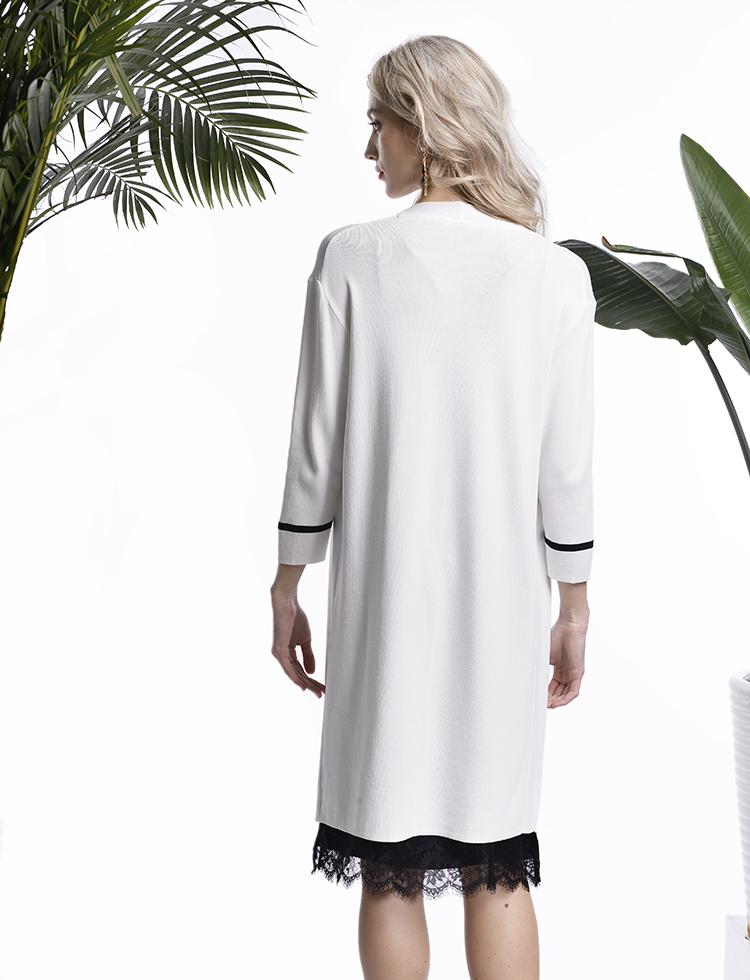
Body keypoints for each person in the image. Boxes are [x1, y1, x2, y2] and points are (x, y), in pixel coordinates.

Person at [270, 34, 595, 980]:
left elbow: (314, 447)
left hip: (382, 608)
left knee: (389, 868)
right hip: (502, 606)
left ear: (425, 125)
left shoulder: (351, 258)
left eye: (379, 124)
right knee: (499, 866)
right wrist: (574, 606)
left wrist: (287, 585)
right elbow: (567, 468)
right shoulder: (553, 274)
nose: (370, 148)